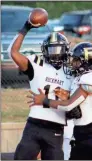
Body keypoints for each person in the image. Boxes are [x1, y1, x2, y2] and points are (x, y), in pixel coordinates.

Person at [27, 42, 92, 160]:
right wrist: (66, 95)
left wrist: (45, 101)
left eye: (76, 60)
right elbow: (77, 105)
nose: (72, 63)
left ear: (86, 61)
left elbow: (69, 105)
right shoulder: (79, 78)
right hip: (81, 133)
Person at [9, 19, 72, 160]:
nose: (55, 54)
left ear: (66, 50)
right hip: (35, 123)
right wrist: (26, 27)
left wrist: (63, 96)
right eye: (52, 49)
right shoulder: (38, 64)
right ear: (45, 50)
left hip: (57, 127)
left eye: (58, 50)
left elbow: (75, 100)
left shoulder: (71, 72)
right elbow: (13, 52)